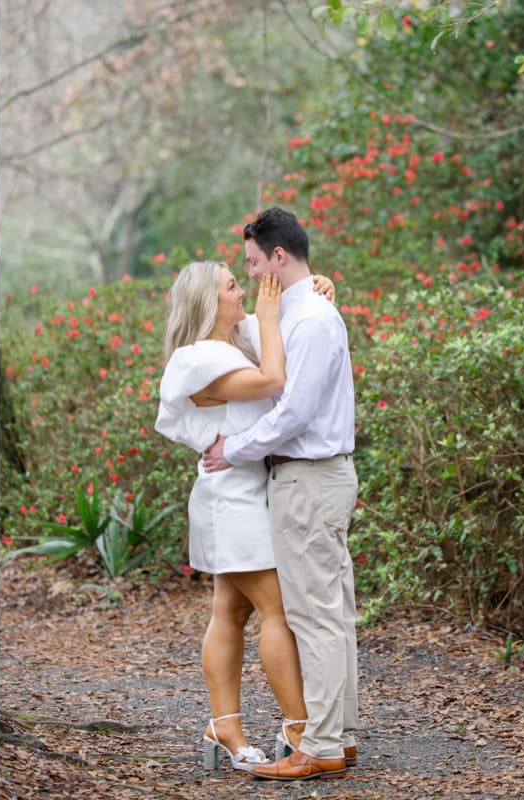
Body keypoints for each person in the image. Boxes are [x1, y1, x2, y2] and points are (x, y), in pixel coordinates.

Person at [156, 264, 334, 772]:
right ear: (208, 305)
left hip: (251, 493)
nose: (246, 292)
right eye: (232, 286)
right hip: (229, 500)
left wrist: (316, 287)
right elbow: (273, 378)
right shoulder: (199, 359)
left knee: (230, 613)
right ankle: (300, 729)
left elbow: (290, 323)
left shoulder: (236, 339)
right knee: (277, 609)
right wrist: (271, 312)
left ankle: (224, 725)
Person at [202, 207, 359, 781]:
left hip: (309, 476)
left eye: (251, 262)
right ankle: (336, 737)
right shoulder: (291, 313)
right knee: (330, 612)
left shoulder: (313, 319)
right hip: (306, 476)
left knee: (315, 615)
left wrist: (235, 448)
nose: (248, 273)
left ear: (279, 258)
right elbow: (224, 329)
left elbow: (295, 410)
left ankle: (319, 746)